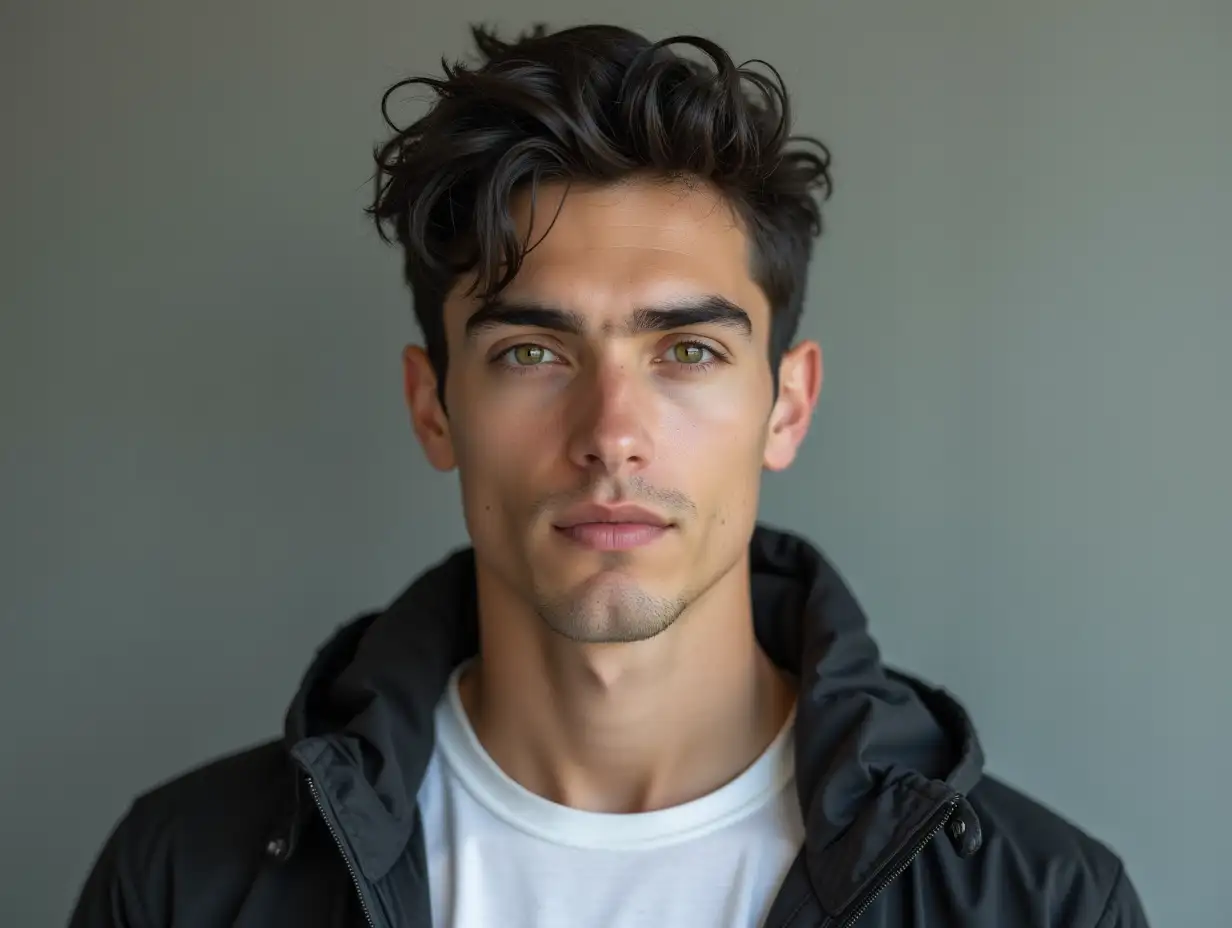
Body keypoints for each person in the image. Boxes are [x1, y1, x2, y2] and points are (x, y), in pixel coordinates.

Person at [69, 23, 1150, 928]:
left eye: (686, 351)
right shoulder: (185, 876)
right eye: (530, 353)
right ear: (432, 404)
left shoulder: (1038, 901)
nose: (611, 433)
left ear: (786, 404)